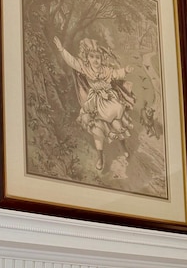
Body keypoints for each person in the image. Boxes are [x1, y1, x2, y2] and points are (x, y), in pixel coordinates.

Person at [53, 36, 135, 171]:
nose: (95, 60)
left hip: (109, 98)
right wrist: (62, 50)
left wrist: (125, 70)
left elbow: (115, 73)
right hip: (95, 101)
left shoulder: (105, 70)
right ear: (87, 58)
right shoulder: (85, 68)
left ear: (101, 58)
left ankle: (123, 146)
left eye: (98, 57)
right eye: (92, 57)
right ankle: (100, 157)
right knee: (97, 128)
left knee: (117, 117)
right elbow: (72, 61)